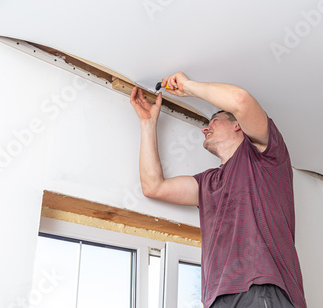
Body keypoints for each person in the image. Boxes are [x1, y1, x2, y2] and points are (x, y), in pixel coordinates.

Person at [130, 72, 306, 308]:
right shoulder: (208, 183)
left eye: (214, 120)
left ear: (237, 126)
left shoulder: (266, 158)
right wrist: (147, 123)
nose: (205, 129)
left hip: (262, 287)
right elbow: (153, 186)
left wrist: (188, 87)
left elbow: (241, 100)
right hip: (216, 298)